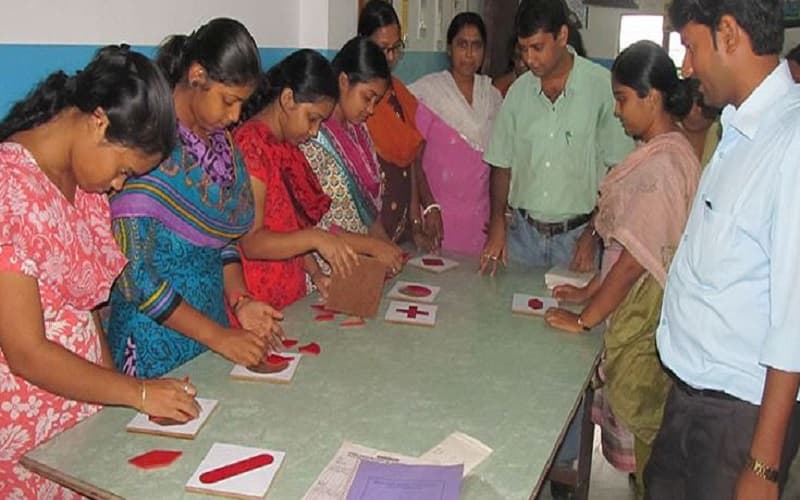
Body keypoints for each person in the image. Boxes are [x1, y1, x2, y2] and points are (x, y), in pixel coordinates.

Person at [0, 45, 200, 498]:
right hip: (26, 435)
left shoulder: (84, 184)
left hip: (81, 419)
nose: (119, 185)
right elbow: (25, 351)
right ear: (99, 121)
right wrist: (137, 393)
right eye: (125, 170)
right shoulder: (7, 189)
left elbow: (86, 308)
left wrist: (115, 403)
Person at [646, 1, 800, 499]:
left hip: (740, 420)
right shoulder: (735, 130)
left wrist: (763, 466)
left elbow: (794, 319)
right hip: (692, 397)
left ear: (729, 34)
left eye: (691, 46)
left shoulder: (791, 142)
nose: (686, 67)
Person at [545, 40, 700, 498]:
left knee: (648, 455)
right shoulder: (661, 151)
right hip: (630, 303)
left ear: (651, 98)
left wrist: (584, 320)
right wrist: (590, 289)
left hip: (645, 320)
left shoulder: (664, 166)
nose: (617, 112)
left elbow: (634, 262)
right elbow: (626, 246)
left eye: (622, 99)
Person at [108, 18, 284, 379]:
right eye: (229, 101)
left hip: (214, 330)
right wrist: (218, 336)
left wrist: (241, 301)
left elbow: (222, 238)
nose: (235, 117)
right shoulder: (146, 141)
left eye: (241, 104)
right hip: (153, 339)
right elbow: (134, 275)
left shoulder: (221, 148)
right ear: (197, 74)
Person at [479, 0, 633, 277]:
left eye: (537, 47)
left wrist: (593, 233)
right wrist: (498, 225)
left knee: (570, 316)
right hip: (522, 236)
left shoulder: (601, 87)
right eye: (524, 49)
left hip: (577, 239)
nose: (529, 59)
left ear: (562, 36)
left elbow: (618, 173)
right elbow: (502, 164)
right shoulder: (518, 93)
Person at [298, 38, 405, 280]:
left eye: (376, 101)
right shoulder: (312, 136)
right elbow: (310, 226)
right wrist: (374, 247)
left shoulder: (358, 130)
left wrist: (386, 246)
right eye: (367, 97)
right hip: (324, 272)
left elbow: (366, 207)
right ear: (344, 81)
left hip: (358, 269)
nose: (371, 109)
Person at [409, 12, 503, 255]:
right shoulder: (430, 94)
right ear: (449, 49)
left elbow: (500, 163)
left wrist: (499, 216)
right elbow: (413, 159)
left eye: (476, 46)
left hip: (479, 221)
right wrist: (428, 206)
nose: (469, 54)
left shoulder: (492, 97)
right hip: (437, 218)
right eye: (462, 44)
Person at [359, 0, 443, 252]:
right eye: (383, 48)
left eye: (396, 48)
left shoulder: (399, 95)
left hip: (400, 226)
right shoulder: (358, 101)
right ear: (364, 43)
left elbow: (410, 160)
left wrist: (416, 221)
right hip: (370, 230)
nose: (391, 57)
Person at [679, 78, 720, 166]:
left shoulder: (724, 133)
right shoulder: (665, 134)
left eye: (701, 103)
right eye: (688, 103)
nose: (693, 111)